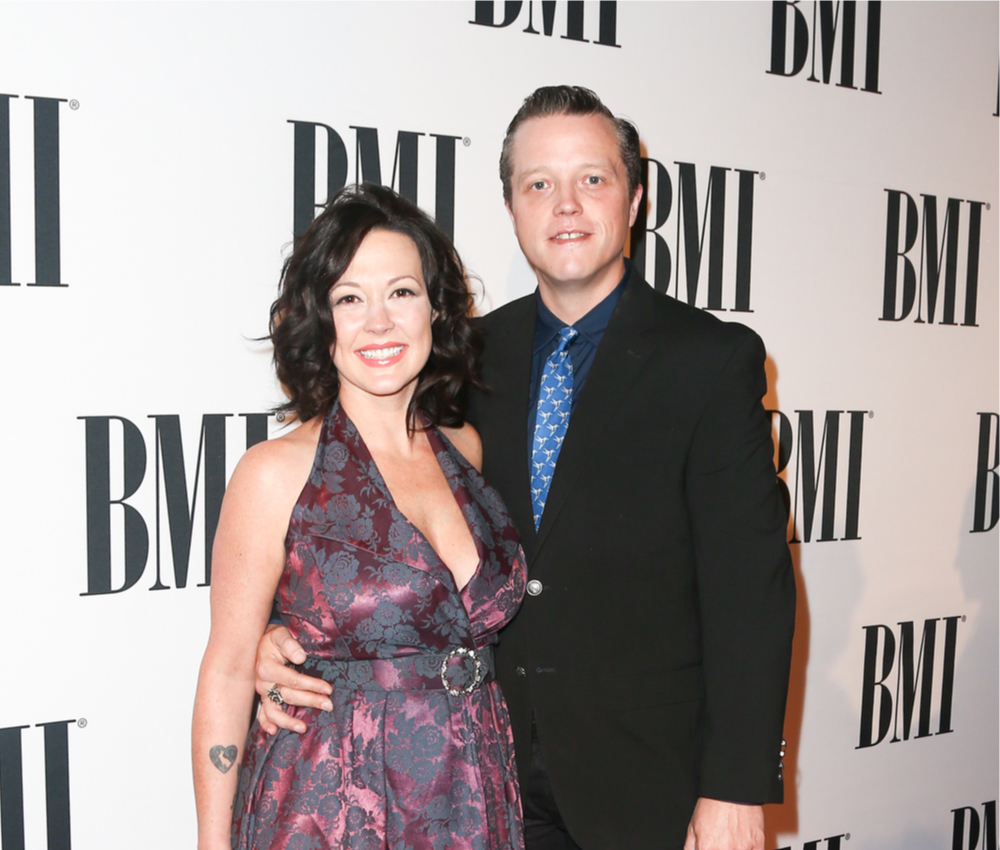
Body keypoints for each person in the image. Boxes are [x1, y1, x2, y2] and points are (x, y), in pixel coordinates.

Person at [255, 87, 796, 850]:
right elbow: (378, 513)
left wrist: (736, 785)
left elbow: (752, 591)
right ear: (511, 206)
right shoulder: (462, 361)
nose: (565, 205)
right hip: (479, 776)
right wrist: (277, 632)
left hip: (649, 784)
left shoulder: (710, 362)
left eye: (592, 180)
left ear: (636, 197)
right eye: (539, 184)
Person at [192, 183, 527, 850]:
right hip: (331, 808)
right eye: (350, 299)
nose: (380, 322)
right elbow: (228, 672)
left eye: (401, 292)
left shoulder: (465, 449)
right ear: (323, 320)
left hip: (472, 796)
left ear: (435, 307)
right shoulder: (275, 473)